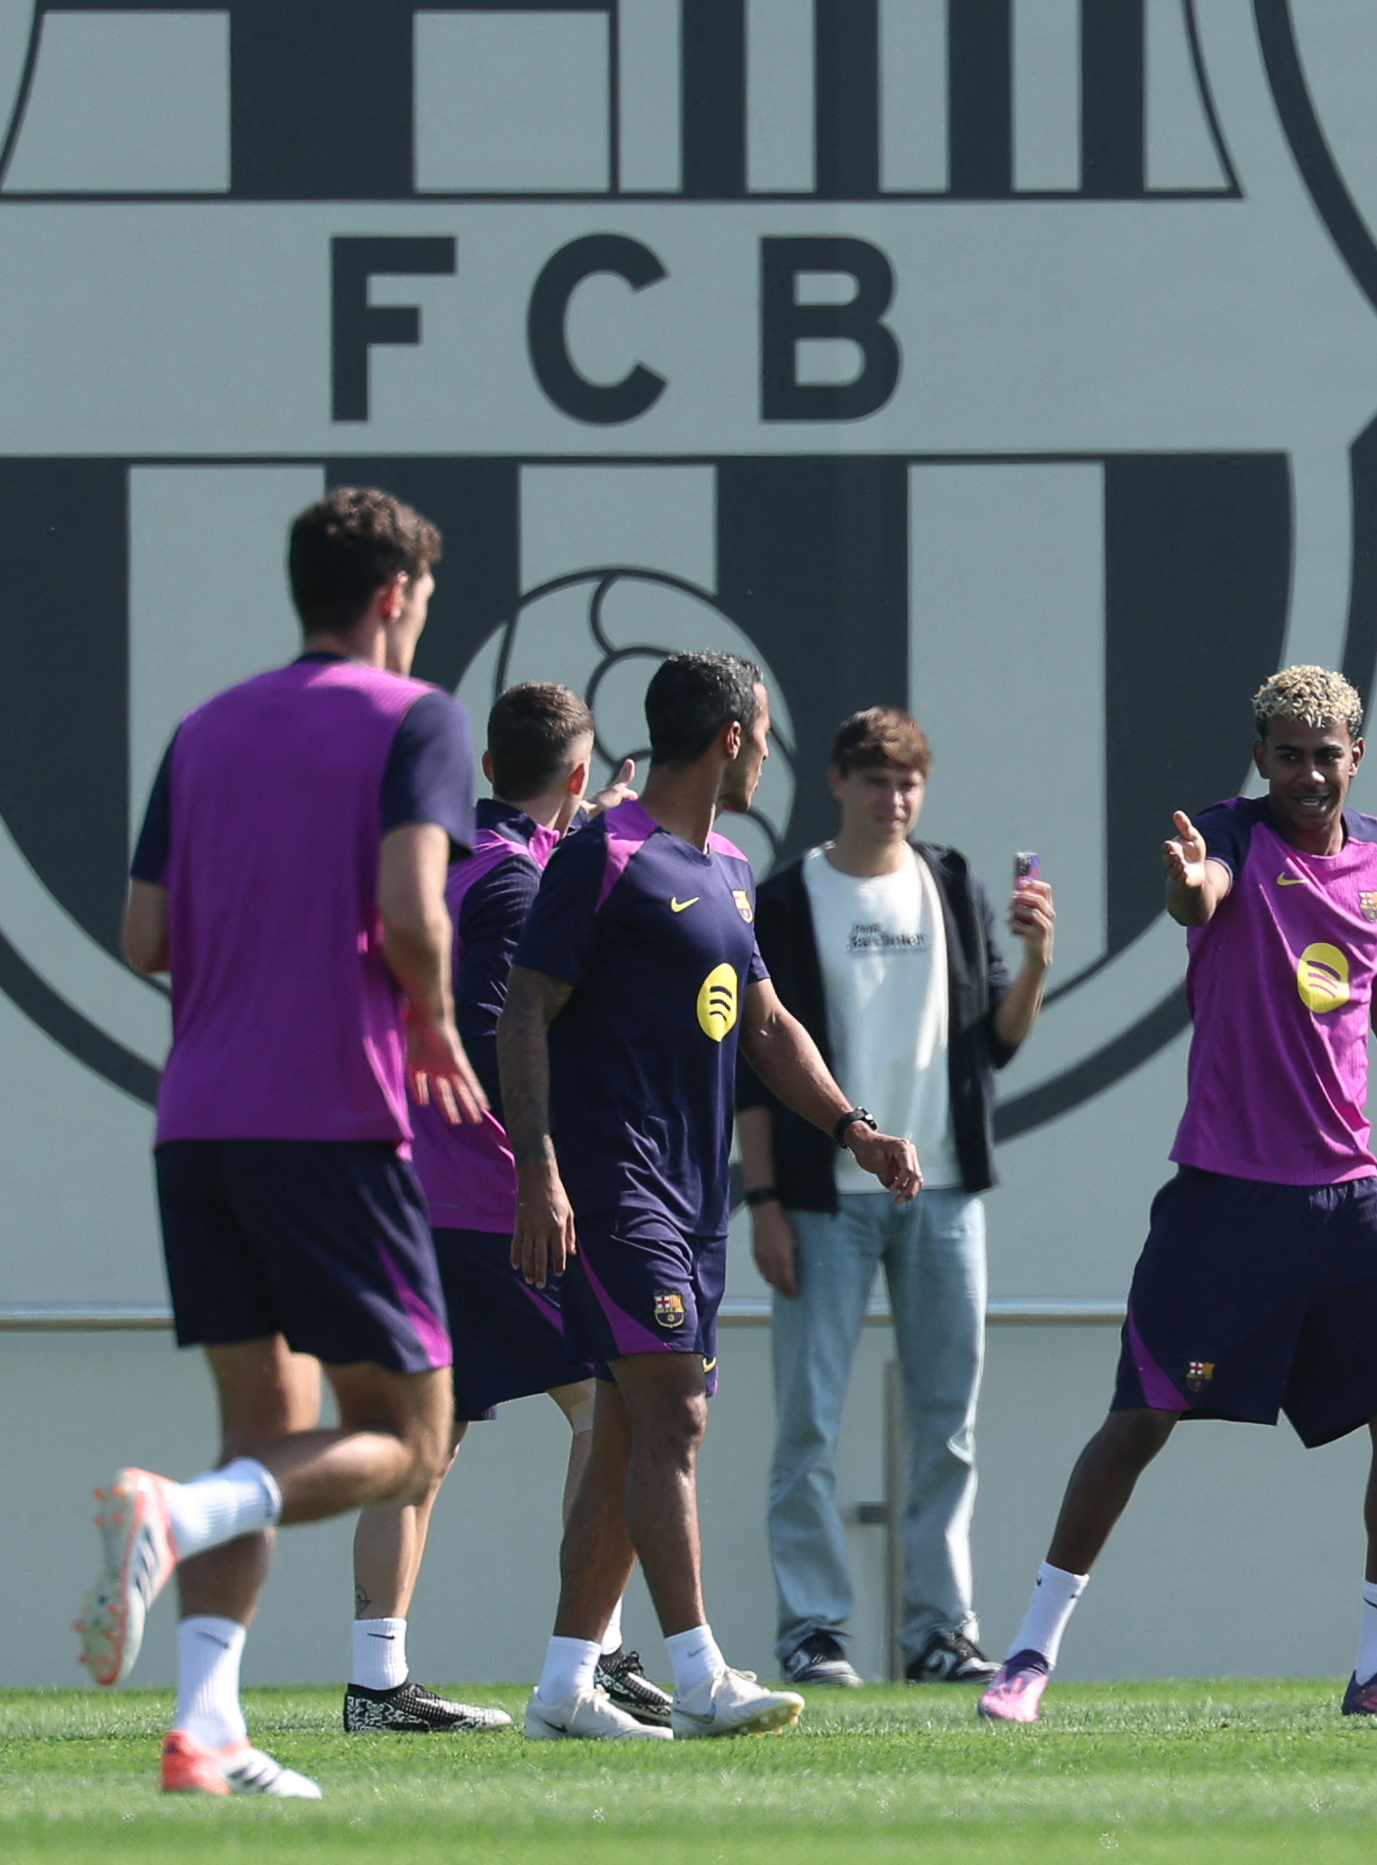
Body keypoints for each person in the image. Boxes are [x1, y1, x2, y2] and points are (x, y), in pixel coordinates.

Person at [978, 665, 1377, 1726]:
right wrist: (1186, 884)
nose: (1309, 773)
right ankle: (1029, 1655)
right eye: (1288, 754)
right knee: (1139, 1420)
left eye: (1328, 754)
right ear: (1261, 757)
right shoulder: (1227, 835)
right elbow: (1201, 893)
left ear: (1355, 757)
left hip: (1349, 1199)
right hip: (1227, 1196)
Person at [81, 487, 483, 1797]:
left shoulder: (202, 729)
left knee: (270, 1426)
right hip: (331, 1122)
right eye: (421, 600)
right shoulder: (417, 719)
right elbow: (413, 910)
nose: (421, 620)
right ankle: (175, 1514)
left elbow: (143, 938)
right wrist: (430, 1020)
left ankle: (203, 1726)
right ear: (389, 597)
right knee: (412, 1436)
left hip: (196, 1123)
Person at [500, 651, 925, 1741]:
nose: (772, 751)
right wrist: (539, 1169)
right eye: (767, 732)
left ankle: (561, 1685)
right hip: (613, 1184)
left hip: (696, 1199)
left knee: (627, 1436)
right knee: (674, 1413)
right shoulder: (602, 855)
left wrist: (853, 1127)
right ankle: (699, 1671)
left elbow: (769, 1027)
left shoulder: (729, 867)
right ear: (732, 736)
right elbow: (524, 1015)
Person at [343, 684, 669, 1732]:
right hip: (495, 1197)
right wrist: (539, 1164)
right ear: (576, 777)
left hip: (404, 1189)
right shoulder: (520, 886)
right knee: (608, 1404)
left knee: (423, 1438)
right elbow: (498, 1029)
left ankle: (374, 1679)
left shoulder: (449, 857)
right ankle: (599, 1652)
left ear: (489, 769)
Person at [739, 708, 1057, 1689]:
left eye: (909, 780)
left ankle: (938, 1631)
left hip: (948, 1194)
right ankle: (812, 1630)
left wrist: (1037, 958)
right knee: (808, 1422)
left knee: (946, 1424)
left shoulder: (953, 880)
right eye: (876, 779)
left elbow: (997, 1039)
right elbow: (756, 1059)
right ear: (836, 782)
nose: (896, 797)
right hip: (821, 1199)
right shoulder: (788, 896)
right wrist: (763, 1201)